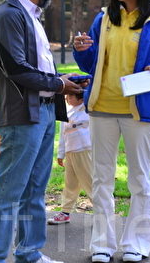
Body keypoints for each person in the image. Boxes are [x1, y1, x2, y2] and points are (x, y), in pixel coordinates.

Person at [0, 0, 85, 263]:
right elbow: (17, 69)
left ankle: (29, 253)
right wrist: (58, 84)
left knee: (35, 188)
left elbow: (35, 66)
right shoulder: (9, 14)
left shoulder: (30, 14)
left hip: (44, 110)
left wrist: (61, 80)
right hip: (22, 114)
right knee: (8, 190)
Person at [73, 0, 150, 263]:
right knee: (101, 180)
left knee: (139, 179)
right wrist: (83, 50)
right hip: (102, 107)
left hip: (140, 111)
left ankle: (136, 244)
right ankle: (101, 246)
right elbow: (91, 64)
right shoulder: (104, 18)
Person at [48, 92, 92, 225]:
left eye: (70, 97)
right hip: (70, 152)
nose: (67, 99)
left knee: (89, 181)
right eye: (66, 96)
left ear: (81, 98)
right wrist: (61, 154)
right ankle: (65, 212)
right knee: (70, 183)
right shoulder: (66, 113)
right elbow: (63, 135)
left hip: (84, 150)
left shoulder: (88, 110)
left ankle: (103, 212)